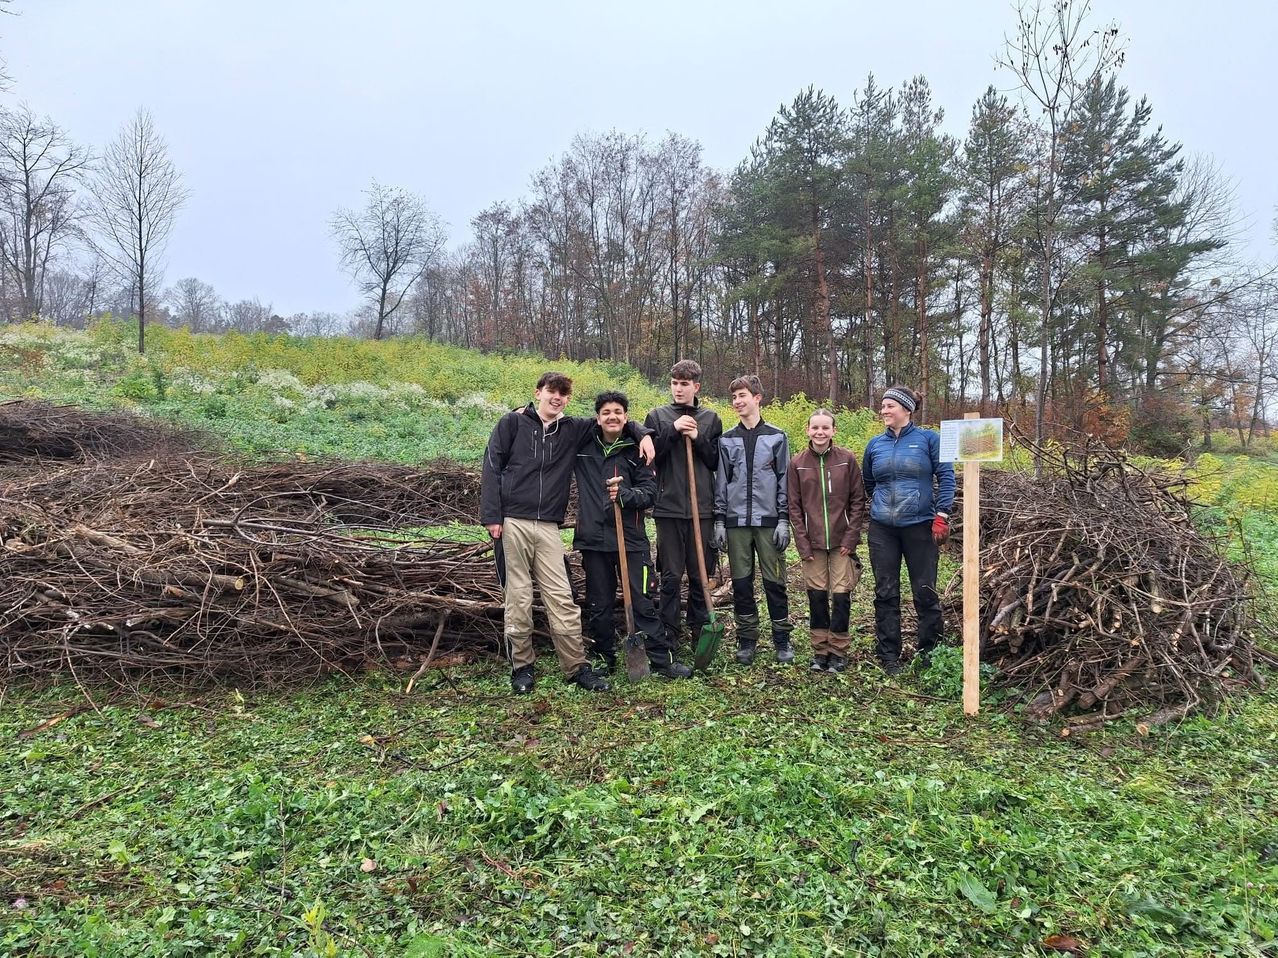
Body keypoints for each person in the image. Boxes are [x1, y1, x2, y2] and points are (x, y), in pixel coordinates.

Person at [480, 371, 654, 694]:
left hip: (548, 525)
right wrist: (492, 516)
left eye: (563, 393)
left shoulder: (572, 429)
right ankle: (522, 667)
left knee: (562, 598)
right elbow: (491, 466)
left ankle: (576, 667)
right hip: (512, 521)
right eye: (551, 392)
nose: (556, 397)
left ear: (568, 399)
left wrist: (642, 433)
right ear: (538, 392)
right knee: (517, 597)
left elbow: (613, 419)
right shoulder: (512, 424)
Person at [573, 391, 693, 679]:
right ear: (598, 417)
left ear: (625, 416)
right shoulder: (583, 444)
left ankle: (661, 661)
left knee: (643, 601)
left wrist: (625, 495)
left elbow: (650, 493)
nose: (612, 416)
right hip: (594, 540)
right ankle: (605, 658)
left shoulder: (636, 449)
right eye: (606, 412)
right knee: (598, 604)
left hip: (632, 540)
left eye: (618, 411)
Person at [861, 385, 955, 676]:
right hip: (882, 529)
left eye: (890, 405)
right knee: (885, 591)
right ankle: (889, 655)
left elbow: (946, 476)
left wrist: (941, 514)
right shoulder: (875, 444)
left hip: (919, 527)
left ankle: (931, 652)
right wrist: (881, 506)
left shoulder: (929, 439)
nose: (884, 410)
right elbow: (868, 482)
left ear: (906, 409)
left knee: (925, 591)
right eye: (883, 406)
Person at [644, 359, 723, 661]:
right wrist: (674, 431)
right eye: (675, 383)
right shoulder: (657, 416)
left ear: (696, 386)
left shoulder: (711, 418)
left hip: (702, 509)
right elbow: (651, 457)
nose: (679, 388)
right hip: (669, 509)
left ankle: (700, 631)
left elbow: (716, 460)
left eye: (685, 383)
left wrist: (697, 437)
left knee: (701, 575)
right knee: (671, 576)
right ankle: (669, 634)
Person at [712, 374, 793, 665]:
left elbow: (785, 481)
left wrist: (784, 519)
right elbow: (721, 482)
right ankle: (747, 640)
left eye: (742, 396)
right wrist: (720, 520)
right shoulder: (727, 439)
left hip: (769, 522)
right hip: (735, 524)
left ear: (757, 398)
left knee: (775, 582)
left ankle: (782, 639)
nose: (737, 402)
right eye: (733, 397)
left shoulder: (777, 436)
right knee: (742, 583)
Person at [786, 408, 867, 674]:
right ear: (808, 430)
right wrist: (803, 542)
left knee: (842, 597)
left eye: (825, 428)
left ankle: (839, 651)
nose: (820, 432)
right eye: (815, 428)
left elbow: (858, 500)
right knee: (817, 596)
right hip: (813, 544)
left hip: (842, 542)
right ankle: (820, 651)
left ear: (833, 431)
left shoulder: (847, 460)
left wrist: (851, 537)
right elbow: (794, 506)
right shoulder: (797, 463)